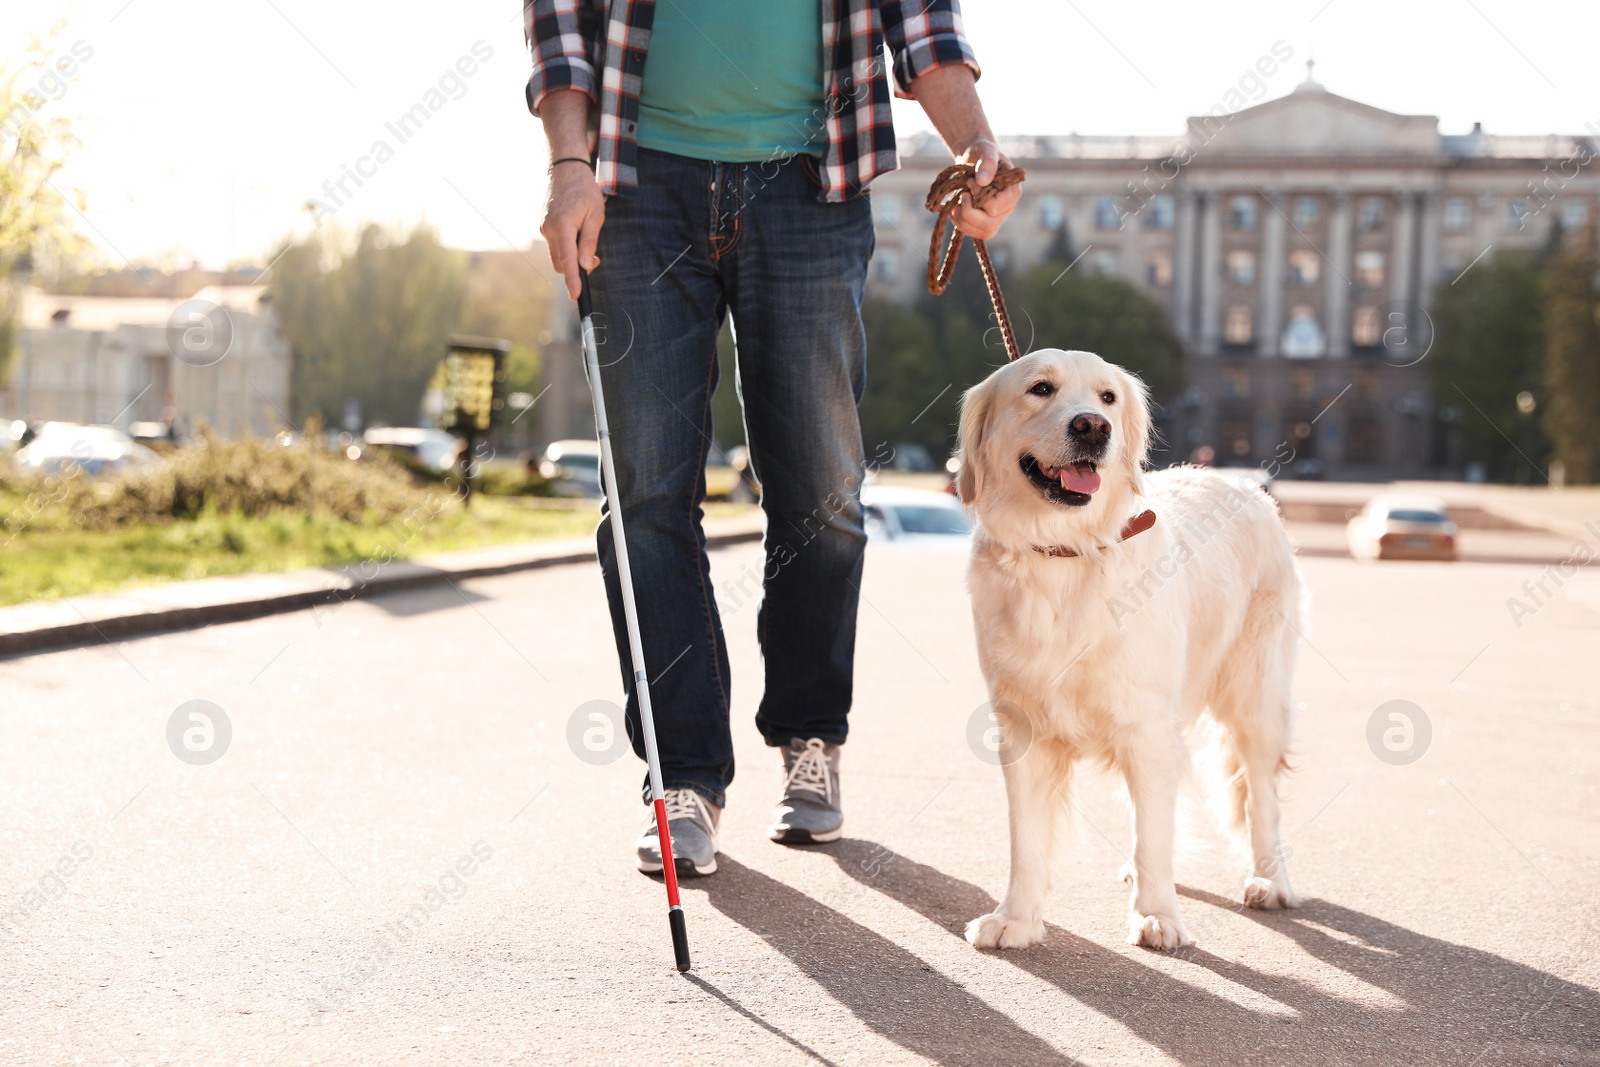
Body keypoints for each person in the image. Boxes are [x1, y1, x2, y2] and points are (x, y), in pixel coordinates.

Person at [526, 0, 1019, 877]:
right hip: (637, 187)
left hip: (811, 187)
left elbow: (923, 22)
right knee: (644, 498)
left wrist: (975, 144)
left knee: (824, 495)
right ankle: (682, 775)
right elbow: (562, 17)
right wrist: (570, 166)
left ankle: (809, 732)